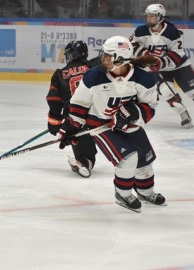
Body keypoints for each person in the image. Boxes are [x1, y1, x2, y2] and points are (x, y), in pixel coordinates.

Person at [57, 36, 166, 213]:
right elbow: (79, 103)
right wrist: (71, 126)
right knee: (128, 159)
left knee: (145, 160)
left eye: (107, 55)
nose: (102, 58)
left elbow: (150, 106)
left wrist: (134, 113)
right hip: (101, 126)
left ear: (120, 59)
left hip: (130, 126)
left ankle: (146, 192)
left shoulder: (143, 79)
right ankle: (123, 194)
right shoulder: (94, 76)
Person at [130, 3, 194, 128]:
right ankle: (183, 113)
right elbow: (132, 45)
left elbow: (177, 54)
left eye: (152, 16)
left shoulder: (172, 32)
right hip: (159, 70)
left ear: (160, 17)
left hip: (180, 67)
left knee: (192, 93)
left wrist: (160, 62)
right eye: (147, 16)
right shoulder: (140, 31)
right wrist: (146, 55)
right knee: (166, 91)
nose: (149, 18)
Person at [46, 40, 97, 178]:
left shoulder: (60, 74)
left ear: (72, 54)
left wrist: (55, 124)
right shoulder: (94, 67)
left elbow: (54, 100)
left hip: (75, 120)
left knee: (86, 154)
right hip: (99, 116)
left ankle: (84, 160)